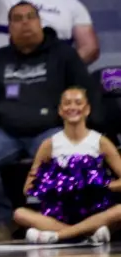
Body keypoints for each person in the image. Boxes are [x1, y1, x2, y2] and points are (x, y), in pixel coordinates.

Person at [0, 1, 93, 241]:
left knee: (63, 152)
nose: (25, 23)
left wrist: (62, 116)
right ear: (9, 27)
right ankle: (6, 220)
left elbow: (83, 90)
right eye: (18, 19)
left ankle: (59, 217)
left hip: (50, 128)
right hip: (7, 132)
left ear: (40, 22)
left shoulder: (63, 54)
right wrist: (3, 111)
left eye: (30, 17)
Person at [14, 87, 121, 244]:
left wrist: (100, 185)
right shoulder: (49, 144)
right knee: (19, 214)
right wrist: (55, 185)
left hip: (94, 212)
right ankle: (87, 235)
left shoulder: (100, 142)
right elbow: (28, 187)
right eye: (67, 103)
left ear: (87, 109)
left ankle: (58, 236)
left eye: (78, 102)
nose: (72, 107)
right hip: (59, 214)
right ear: (60, 110)